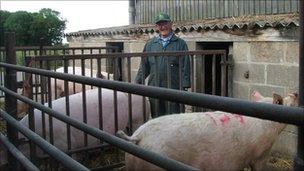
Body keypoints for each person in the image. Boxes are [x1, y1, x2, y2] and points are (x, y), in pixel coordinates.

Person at [135, 12, 190, 118]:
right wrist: (137, 82)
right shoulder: (150, 45)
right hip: (154, 85)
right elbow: (144, 66)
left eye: (165, 23)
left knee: (174, 116)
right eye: (159, 24)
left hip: (174, 87)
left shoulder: (180, 43)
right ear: (156, 27)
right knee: (157, 116)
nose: (162, 27)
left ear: (170, 24)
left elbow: (185, 66)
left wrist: (185, 86)